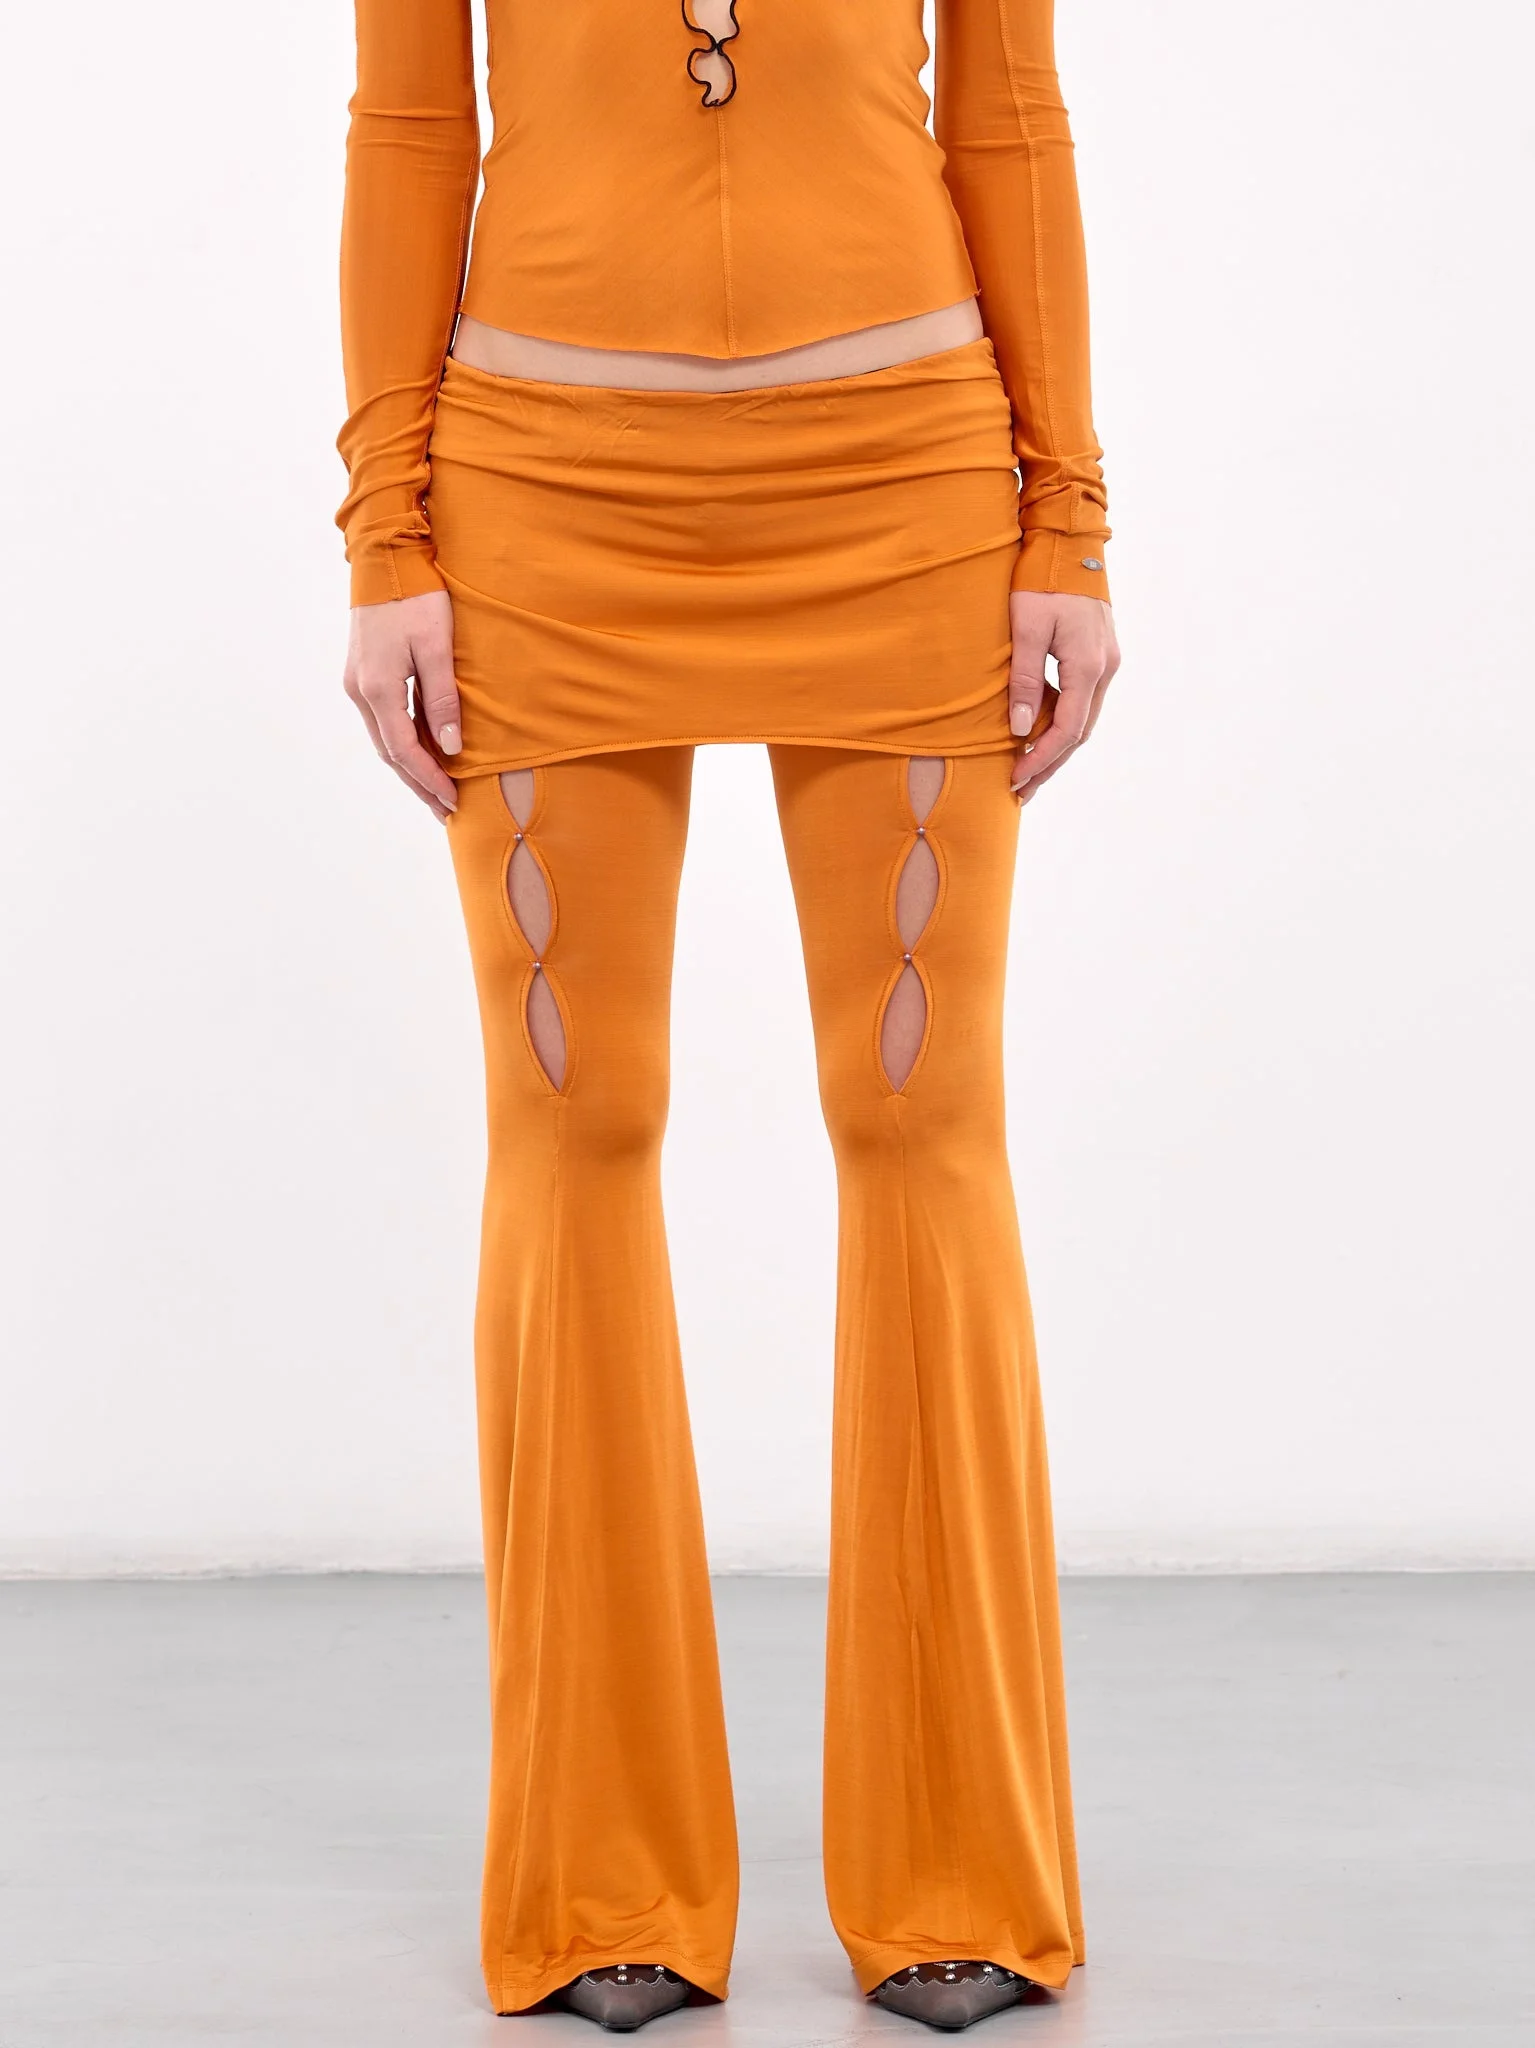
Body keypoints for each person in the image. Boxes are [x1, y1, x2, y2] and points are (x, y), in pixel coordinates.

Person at [335, 0, 1119, 2030]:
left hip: (906, 480)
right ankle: (603, 1880)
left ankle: (963, 1872)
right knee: (575, 1132)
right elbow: (409, 124)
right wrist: (385, 537)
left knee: (921, 1127)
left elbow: (1011, 110)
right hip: (539, 491)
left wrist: (1069, 513)